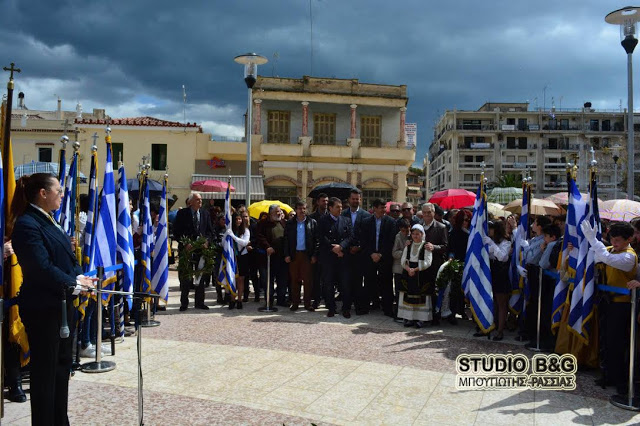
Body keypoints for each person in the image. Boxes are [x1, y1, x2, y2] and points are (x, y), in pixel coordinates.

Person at [11, 173, 95, 425]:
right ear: (42, 193)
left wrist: (81, 276)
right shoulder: (27, 224)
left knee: (61, 370)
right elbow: (40, 267)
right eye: (58, 191)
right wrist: (74, 283)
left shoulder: (49, 220)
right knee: (45, 375)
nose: (62, 195)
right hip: (44, 309)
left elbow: (67, 258)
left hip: (61, 307)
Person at [582, 220, 636, 395]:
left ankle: (621, 380)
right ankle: (609, 374)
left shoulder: (629, 256)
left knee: (618, 343)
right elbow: (597, 256)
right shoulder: (612, 250)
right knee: (606, 340)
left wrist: (594, 241)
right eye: (612, 238)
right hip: (607, 301)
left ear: (629, 239)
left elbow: (607, 259)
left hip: (622, 305)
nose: (614, 242)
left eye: (618, 240)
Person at [173, 193, 214, 311]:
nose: (200, 202)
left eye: (201, 200)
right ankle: (184, 303)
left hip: (201, 250)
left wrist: (207, 242)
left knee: (200, 276)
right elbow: (176, 231)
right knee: (185, 277)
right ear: (190, 202)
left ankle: (199, 302)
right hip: (187, 250)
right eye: (197, 200)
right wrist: (185, 243)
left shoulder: (205, 214)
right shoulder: (182, 214)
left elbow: (210, 232)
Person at [361, 199, 397, 317]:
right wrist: (372, 253)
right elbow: (364, 241)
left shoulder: (391, 222)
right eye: (381, 207)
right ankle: (366, 306)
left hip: (384, 257)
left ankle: (387, 308)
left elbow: (391, 241)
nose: (384, 210)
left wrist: (381, 254)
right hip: (370, 257)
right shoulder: (366, 222)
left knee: (386, 283)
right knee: (368, 282)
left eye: (384, 207)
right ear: (375, 208)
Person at [318, 197, 353, 317]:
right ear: (330, 208)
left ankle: (346, 308)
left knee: (345, 284)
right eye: (337, 207)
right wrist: (333, 248)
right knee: (328, 284)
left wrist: (341, 247)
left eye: (341, 207)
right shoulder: (323, 220)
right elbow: (321, 237)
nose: (340, 209)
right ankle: (331, 308)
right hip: (329, 257)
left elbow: (350, 237)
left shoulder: (346, 220)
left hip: (343, 257)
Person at [283, 201, 319, 311]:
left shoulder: (312, 222)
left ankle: (307, 304)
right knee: (294, 281)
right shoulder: (290, 223)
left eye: (304, 208)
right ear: (295, 210)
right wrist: (287, 254)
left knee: (308, 281)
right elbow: (286, 240)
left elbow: (317, 241)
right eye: (299, 208)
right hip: (294, 255)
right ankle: (295, 303)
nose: (302, 211)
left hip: (306, 256)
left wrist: (314, 255)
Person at [341, 189, 371, 315]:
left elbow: (368, 236)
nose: (355, 201)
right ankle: (346, 307)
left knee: (358, 282)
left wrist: (359, 247)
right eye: (353, 199)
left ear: (360, 200)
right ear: (349, 199)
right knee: (346, 282)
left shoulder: (366, 216)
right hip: (346, 254)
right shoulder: (342, 214)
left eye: (357, 199)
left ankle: (359, 307)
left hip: (360, 254)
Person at [483, 220, 514, 341]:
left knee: (502, 304)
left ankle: (500, 331)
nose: (489, 231)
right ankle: (492, 325)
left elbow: (502, 257)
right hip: (492, 273)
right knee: (494, 302)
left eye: (491, 228)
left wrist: (492, 244)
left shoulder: (506, 243)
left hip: (501, 274)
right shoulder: (492, 242)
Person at [398, 224, 433, 327]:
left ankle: (421, 319)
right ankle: (409, 318)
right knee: (408, 296)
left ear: (422, 234)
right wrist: (409, 269)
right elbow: (403, 260)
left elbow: (428, 262)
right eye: (413, 234)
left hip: (422, 274)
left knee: (421, 296)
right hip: (409, 273)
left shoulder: (426, 246)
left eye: (417, 234)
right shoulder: (408, 245)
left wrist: (416, 269)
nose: (415, 236)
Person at [420, 203, 448, 324]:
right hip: (421, 264)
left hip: (435, 264)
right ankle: (421, 316)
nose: (426, 215)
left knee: (434, 292)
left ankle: (435, 317)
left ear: (433, 213)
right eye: (424, 213)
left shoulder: (441, 227)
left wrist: (434, 247)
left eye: (429, 212)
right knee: (422, 290)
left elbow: (446, 246)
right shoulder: (418, 226)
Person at [257, 204, 289, 307]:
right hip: (268, 258)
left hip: (281, 257)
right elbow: (260, 237)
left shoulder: (284, 223)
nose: (279, 213)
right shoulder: (262, 224)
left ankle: (281, 300)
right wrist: (267, 247)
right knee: (268, 281)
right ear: (270, 213)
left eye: (280, 211)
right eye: (277, 211)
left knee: (282, 280)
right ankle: (269, 301)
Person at [225, 212, 250, 309]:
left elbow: (244, 243)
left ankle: (240, 299)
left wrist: (234, 237)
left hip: (242, 257)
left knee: (241, 279)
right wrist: (227, 235)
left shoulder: (246, 231)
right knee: (233, 278)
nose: (238, 221)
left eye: (240, 219)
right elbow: (224, 243)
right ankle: (232, 299)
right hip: (232, 257)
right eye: (236, 219)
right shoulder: (230, 230)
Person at [309, 193, 328, 309]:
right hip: (316, 252)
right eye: (323, 201)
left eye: (326, 201)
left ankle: (327, 299)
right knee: (316, 278)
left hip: (328, 253)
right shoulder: (311, 218)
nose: (325, 203)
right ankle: (316, 299)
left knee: (327, 278)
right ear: (317, 202)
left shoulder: (331, 216)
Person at [392, 219, 411, 318]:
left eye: (407, 230)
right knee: (399, 292)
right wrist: (405, 250)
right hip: (399, 268)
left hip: (410, 269)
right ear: (400, 229)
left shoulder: (413, 235)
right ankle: (398, 312)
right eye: (403, 231)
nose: (405, 233)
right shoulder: (398, 237)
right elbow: (394, 253)